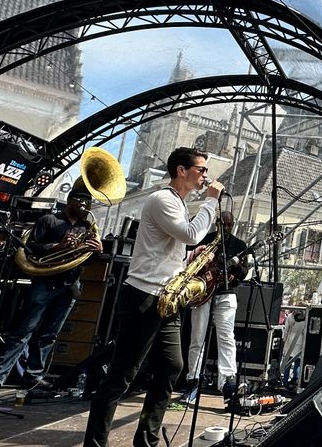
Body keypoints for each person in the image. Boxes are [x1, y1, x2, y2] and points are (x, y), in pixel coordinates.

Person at [83, 147, 221, 447]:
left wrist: (187, 259)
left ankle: (147, 439)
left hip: (167, 298)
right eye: (201, 169)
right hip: (144, 296)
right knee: (121, 376)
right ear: (181, 171)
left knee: (172, 366)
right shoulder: (162, 199)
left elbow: (176, 244)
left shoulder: (180, 204)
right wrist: (211, 201)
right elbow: (191, 234)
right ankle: (95, 443)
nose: (206, 176)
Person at [0, 184, 102, 394]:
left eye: (87, 202)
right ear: (70, 200)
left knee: (49, 335)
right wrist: (58, 246)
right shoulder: (49, 220)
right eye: (80, 201)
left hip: (69, 285)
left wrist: (97, 251)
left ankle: (33, 377)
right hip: (45, 282)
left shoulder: (86, 227)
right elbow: (30, 248)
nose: (84, 206)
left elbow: (84, 260)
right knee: (24, 330)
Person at [180, 214, 248, 405]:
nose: (226, 228)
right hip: (202, 294)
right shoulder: (205, 240)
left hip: (226, 293)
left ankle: (227, 383)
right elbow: (191, 265)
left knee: (226, 337)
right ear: (217, 224)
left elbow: (244, 273)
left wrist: (234, 269)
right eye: (223, 224)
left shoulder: (239, 245)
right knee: (197, 338)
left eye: (229, 225)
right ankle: (193, 381)